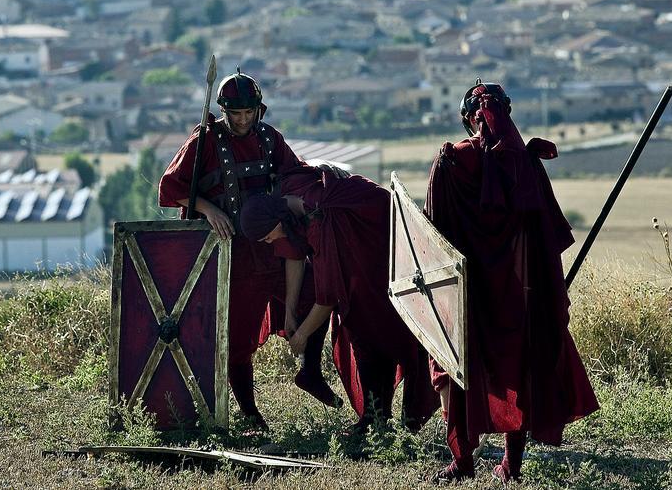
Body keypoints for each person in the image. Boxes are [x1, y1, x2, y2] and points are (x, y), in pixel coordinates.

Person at [424, 81, 599, 484]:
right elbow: (547, 240)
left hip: (470, 299)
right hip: (520, 300)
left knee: (453, 366)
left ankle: (462, 462)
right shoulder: (527, 164)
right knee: (521, 370)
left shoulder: (451, 161)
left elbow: (434, 238)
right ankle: (511, 467)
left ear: (469, 119)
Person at [157, 69, 339, 430]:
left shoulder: (271, 139)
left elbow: (296, 174)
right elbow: (170, 185)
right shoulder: (205, 142)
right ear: (224, 111)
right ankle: (250, 412)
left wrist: (321, 188)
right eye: (235, 114)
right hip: (233, 256)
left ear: (259, 109)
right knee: (237, 336)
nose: (242, 120)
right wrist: (208, 209)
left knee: (317, 296)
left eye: (248, 113)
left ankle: (311, 372)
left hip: (274, 248)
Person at [239, 166, 438, 431]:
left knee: (385, 332)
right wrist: (290, 313)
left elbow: (327, 297)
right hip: (359, 260)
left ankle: (403, 420)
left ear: (275, 222)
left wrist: (301, 336)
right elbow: (294, 256)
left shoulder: (319, 220)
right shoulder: (284, 201)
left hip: (381, 249)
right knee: (362, 332)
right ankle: (374, 416)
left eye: (267, 236)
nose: (269, 241)